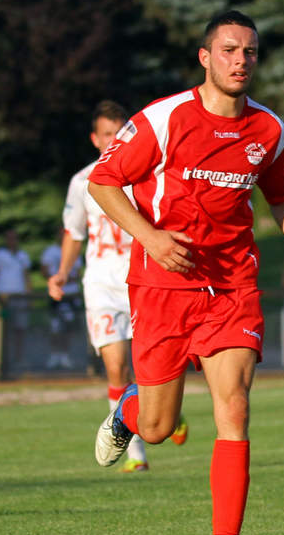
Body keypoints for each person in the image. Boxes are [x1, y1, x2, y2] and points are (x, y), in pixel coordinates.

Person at [88, 10, 284, 535]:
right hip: (163, 286)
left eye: (250, 52)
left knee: (234, 406)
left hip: (233, 284)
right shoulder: (162, 120)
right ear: (206, 58)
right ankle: (129, 414)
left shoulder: (270, 130)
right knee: (161, 428)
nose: (242, 60)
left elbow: (279, 195)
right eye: (231, 50)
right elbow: (102, 181)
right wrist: (152, 238)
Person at [49, 100, 188, 473]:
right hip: (101, 286)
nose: (114, 139)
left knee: (156, 366)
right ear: (96, 139)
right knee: (115, 368)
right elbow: (73, 233)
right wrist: (62, 272)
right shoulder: (82, 182)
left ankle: (166, 407)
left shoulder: (146, 174)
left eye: (119, 132)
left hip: (143, 281)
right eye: (107, 134)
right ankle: (135, 454)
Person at [0, 229, 31, 370]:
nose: (12, 241)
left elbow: (27, 276)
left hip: (20, 296)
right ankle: (2, 358)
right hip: (4, 298)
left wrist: (28, 294)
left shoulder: (22, 255)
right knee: (3, 328)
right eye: (10, 238)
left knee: (20, 328)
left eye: (14, 238)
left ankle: (18, 356)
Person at [40, 232, 81, 369]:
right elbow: (44, 271)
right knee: (55, 326)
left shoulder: (75, 250)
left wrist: (67, 278)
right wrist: (57, 279)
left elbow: (78, 273)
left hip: (71, 294)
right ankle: (54, 353)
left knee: (68, 326)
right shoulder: (50, 251)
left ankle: (65, 354)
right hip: (57, 294)